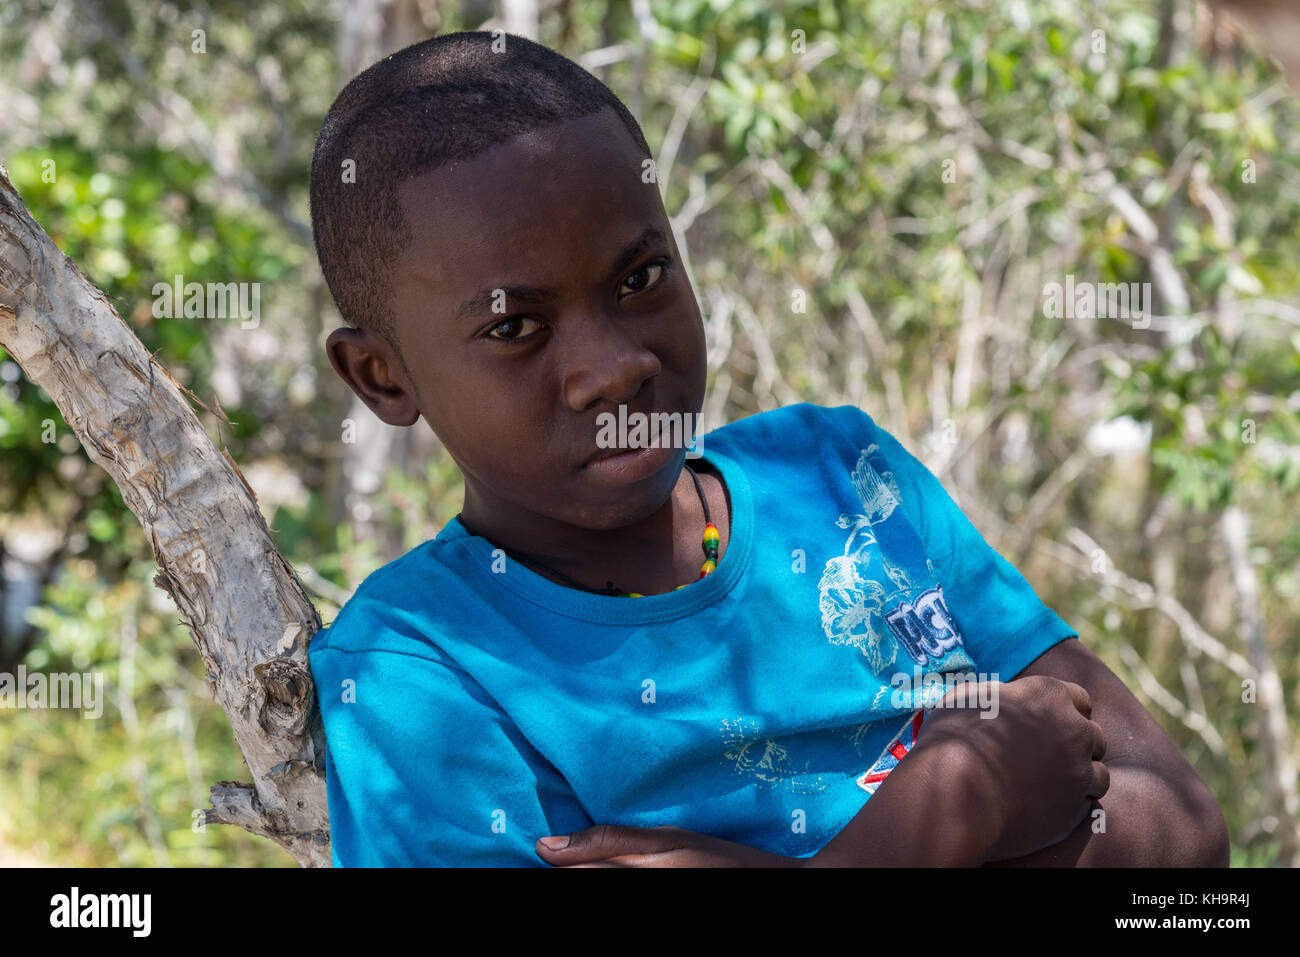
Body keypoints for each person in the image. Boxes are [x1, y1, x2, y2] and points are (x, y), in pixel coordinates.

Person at [306, 30, 1228, 867]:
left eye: (640, 277)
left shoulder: (838, 473)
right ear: (381, 377)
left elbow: (1183, 842)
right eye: (516, 329)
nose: (614, 367)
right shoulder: (415, 672)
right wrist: (966, 794)